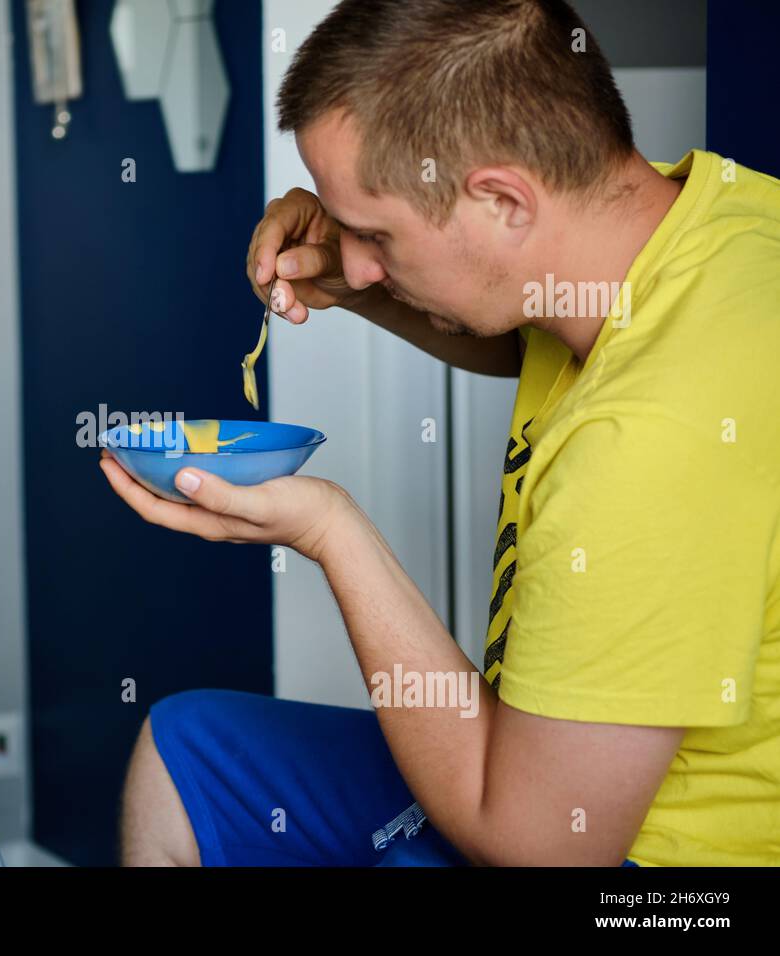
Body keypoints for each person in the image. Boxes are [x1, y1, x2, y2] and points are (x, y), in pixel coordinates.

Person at [104, 0, 780, 866]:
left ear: (502, 200)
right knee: (185, 754)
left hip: (648, 867)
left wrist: (330, 532)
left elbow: (537, 846)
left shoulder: (649, 441)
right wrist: (368, 285)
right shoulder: (708, 218)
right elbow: (542, 332)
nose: (350, 259)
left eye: (375, 234)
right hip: (545, 778)